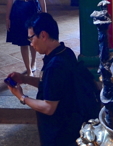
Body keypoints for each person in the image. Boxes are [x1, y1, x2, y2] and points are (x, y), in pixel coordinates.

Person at [7, 13, 81, 146]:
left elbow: (48, 107)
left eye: (31, 38)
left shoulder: (55, 66)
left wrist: (21, 97)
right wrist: (24, 79)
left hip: (59, 133)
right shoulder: (65, 52)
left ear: (43, 35)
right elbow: (51, 85)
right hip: (68, 125)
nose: (31, 44)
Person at [6, 0, 43, 75]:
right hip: (19, 10)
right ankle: (28, 68)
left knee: (33, 39)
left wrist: (45, 15)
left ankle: (33, 63)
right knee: (22, 40)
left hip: (32, 9)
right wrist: (7, 17)